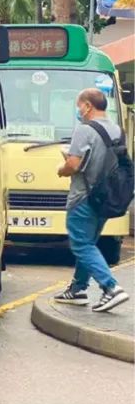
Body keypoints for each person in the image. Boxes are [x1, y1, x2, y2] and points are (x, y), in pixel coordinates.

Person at [53, 88, 128, 312]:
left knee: (81, 244)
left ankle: (111, 287)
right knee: (88, 242)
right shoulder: (117, 130)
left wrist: (61, 168)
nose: (79, 111)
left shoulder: (84, 130)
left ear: (87, 106)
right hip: (107, 198)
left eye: (79, 106)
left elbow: (74, 164)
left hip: (83, 197)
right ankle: (78, 289)